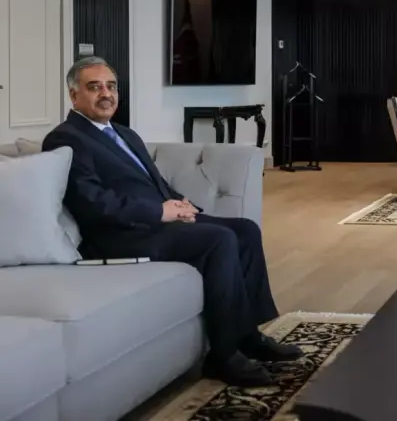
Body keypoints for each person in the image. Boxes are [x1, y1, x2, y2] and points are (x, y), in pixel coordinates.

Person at [42, 57, 303, 387]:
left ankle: (248, 336)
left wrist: (182, 204)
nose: (106, 94)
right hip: (120, 236)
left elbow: (155, 182)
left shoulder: (124, 133)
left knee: (245, 230)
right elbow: (93, 202)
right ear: (73, 95)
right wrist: (159, 212)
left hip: (155, 222)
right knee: (218, 239)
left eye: (111, 86)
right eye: (95, 87)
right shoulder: (66, 138)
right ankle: (223, 356)